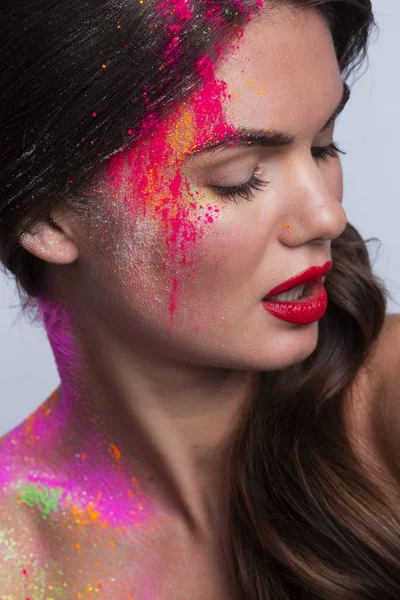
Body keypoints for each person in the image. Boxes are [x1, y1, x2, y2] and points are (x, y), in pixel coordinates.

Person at [1, 0, 400, 597]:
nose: (326, 215)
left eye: (323, 147)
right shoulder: (17, 555)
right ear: (47, 219)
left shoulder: (382, 407)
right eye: (239, 177)